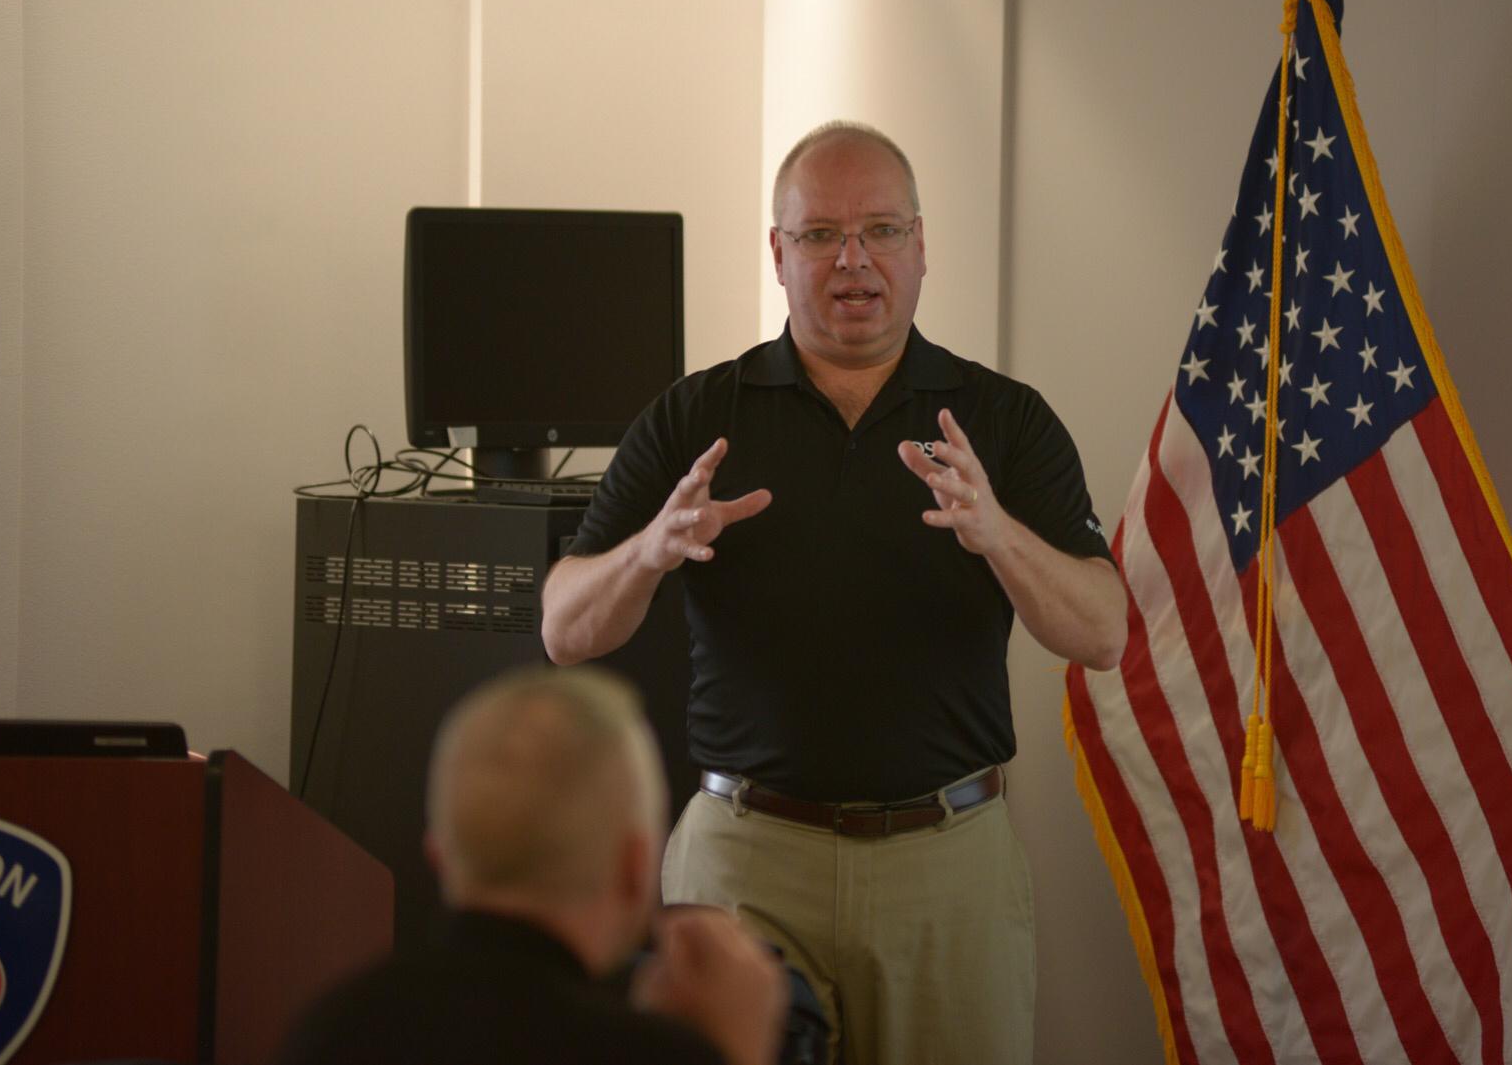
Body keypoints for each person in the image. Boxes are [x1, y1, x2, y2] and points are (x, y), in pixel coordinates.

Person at [541, 121, 1127, 1065]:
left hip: (948, 865)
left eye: (881, 230)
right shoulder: (697, 415)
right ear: (779, 254)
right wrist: (648, 550)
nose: (853, 259)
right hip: (745, 864)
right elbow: (565, 629)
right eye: (819, 235)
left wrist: (998, 534)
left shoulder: (1002, 420)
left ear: (921, 246)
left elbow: (1103, 632)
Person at [275, 666, 789, 1065]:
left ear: (440, 856)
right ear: (634, 868)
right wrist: (736, 1049)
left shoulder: (330, 1030)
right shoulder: (651, 1054)